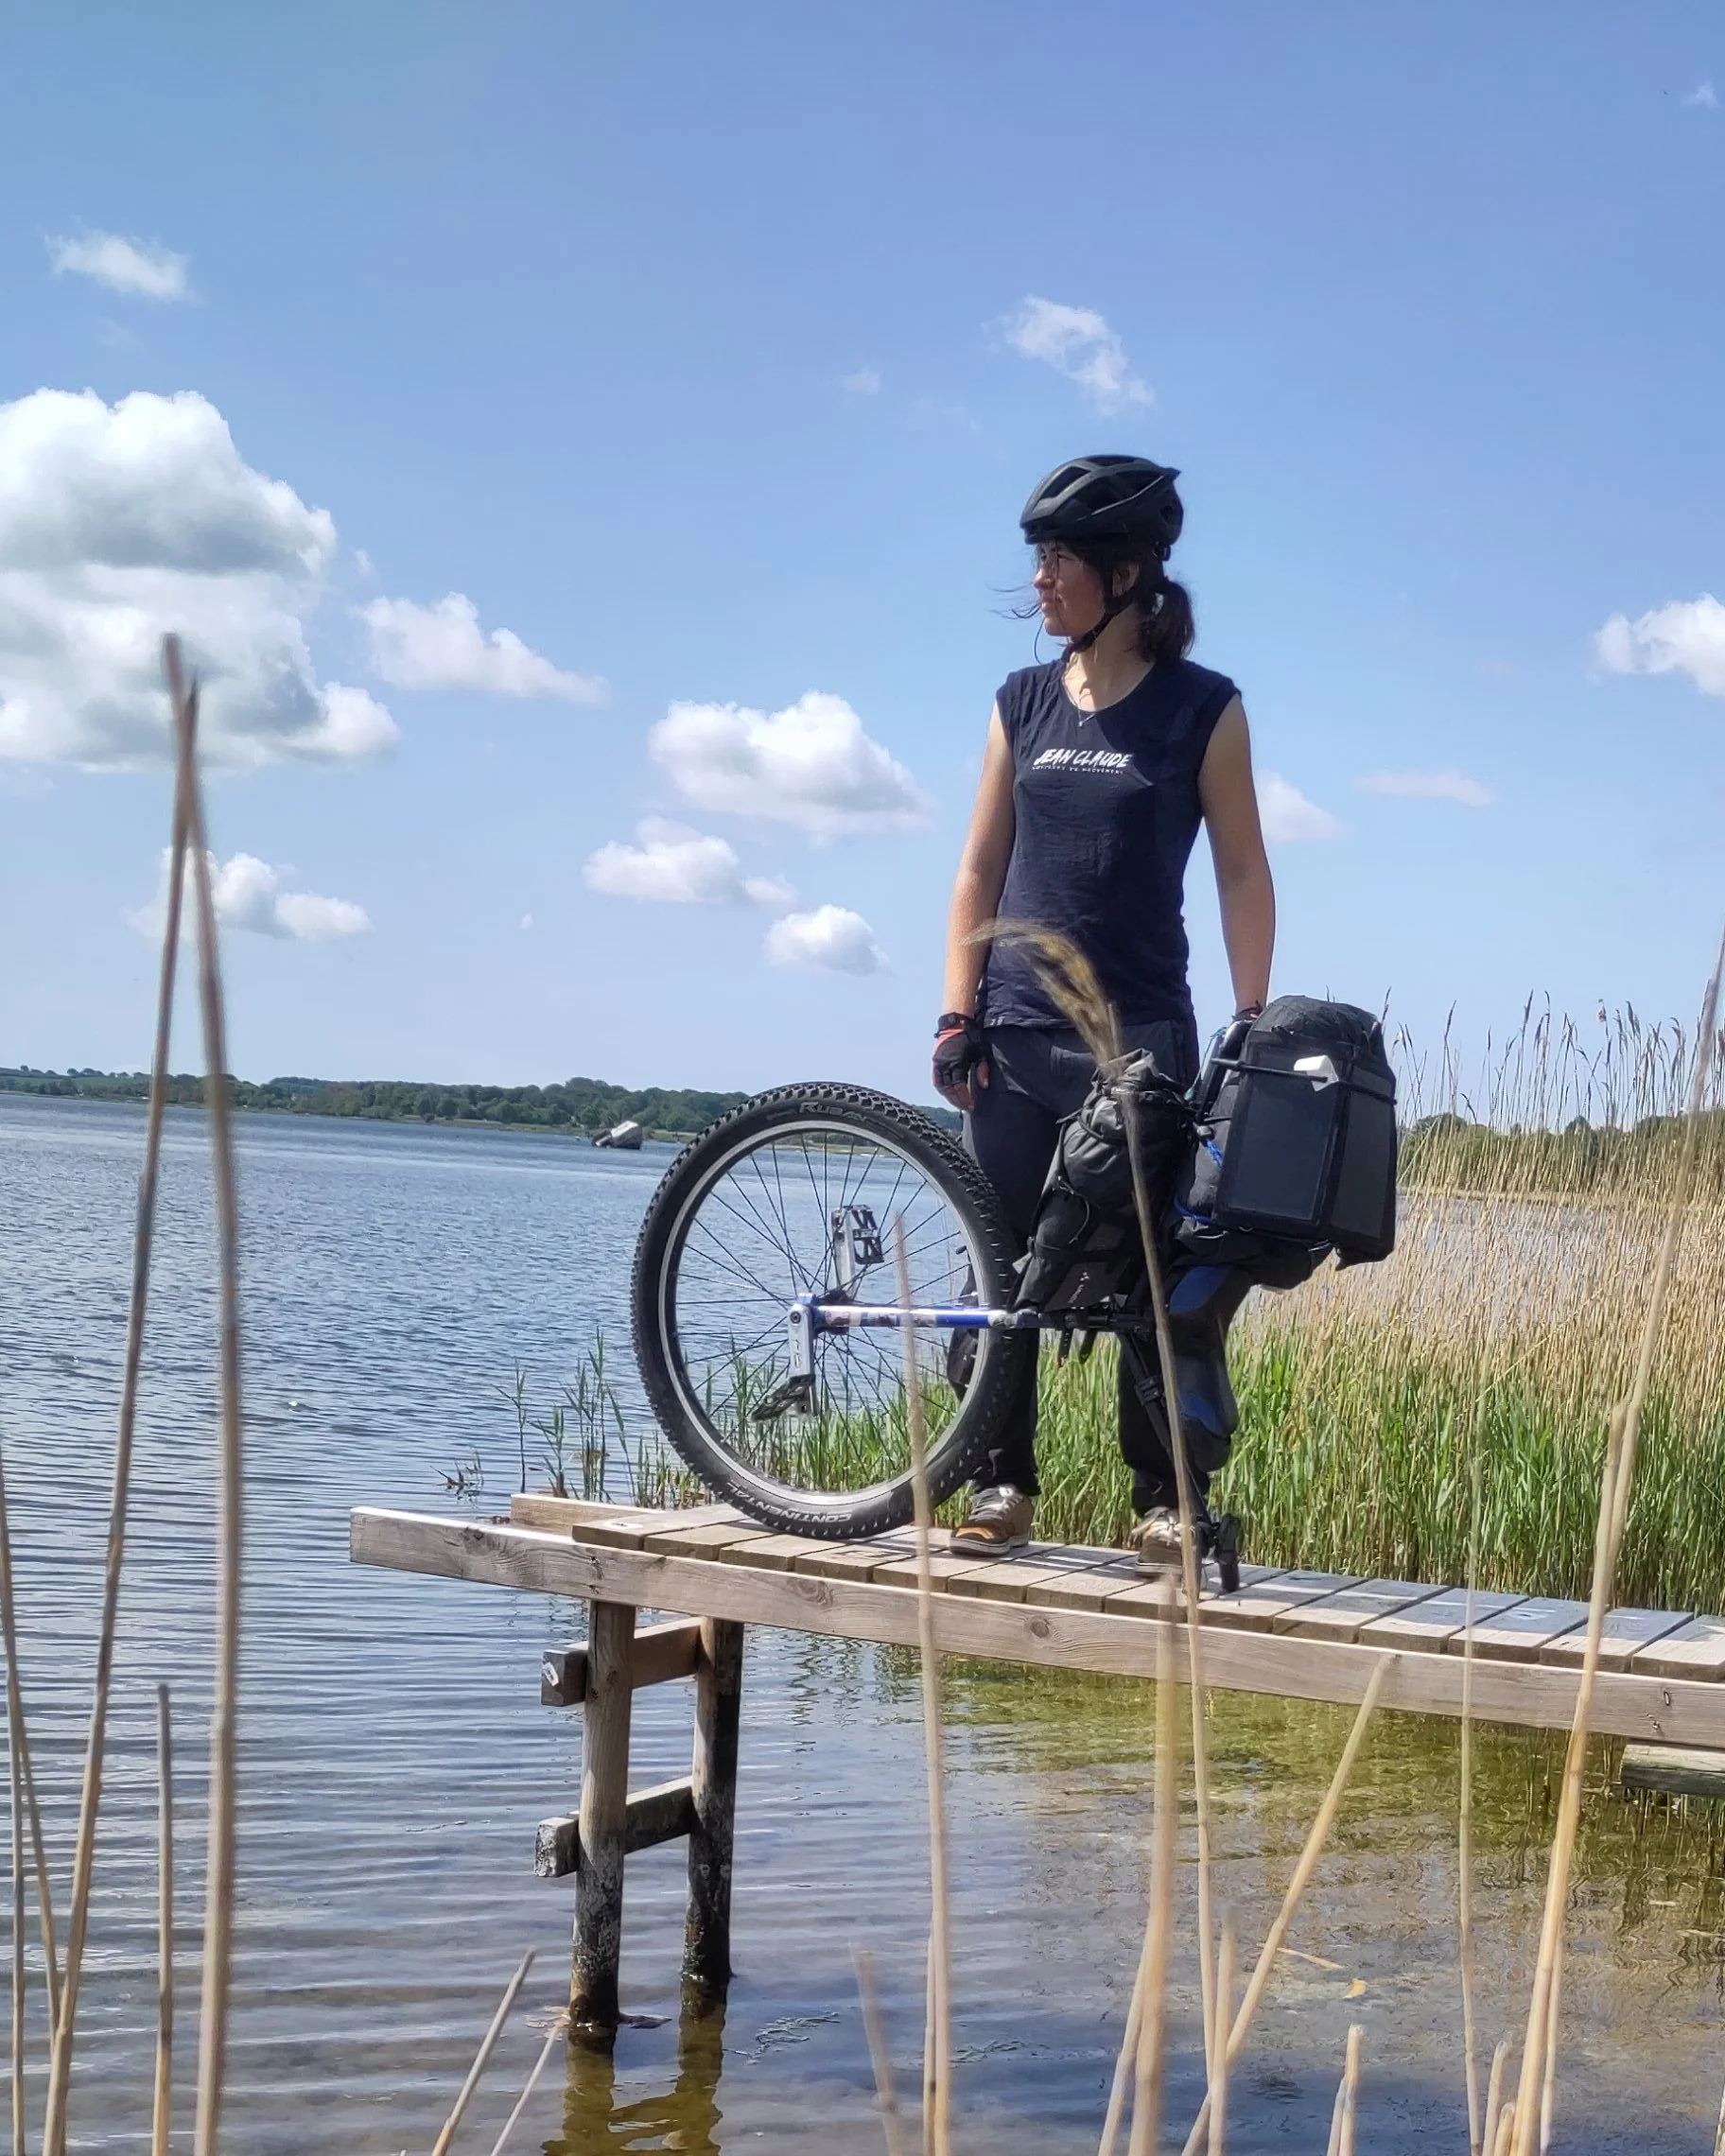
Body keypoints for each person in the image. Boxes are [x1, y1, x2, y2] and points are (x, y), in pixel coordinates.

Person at [932, 453, 1275, 1565]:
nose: (1039, 580)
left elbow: (1240, 874)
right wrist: (955, 1013)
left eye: (1058, 559)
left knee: (1150, 1275)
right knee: (1005, 1266)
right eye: (1037, 558)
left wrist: (1253, 1024)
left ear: (1125, 574)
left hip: (1144, 1040)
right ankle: (999, 1489)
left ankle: (1163, 1502)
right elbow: (978, 871)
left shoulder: (1203, 710)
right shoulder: (1020, 703)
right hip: (1016, 1031)